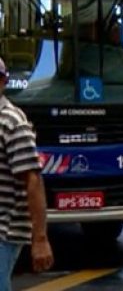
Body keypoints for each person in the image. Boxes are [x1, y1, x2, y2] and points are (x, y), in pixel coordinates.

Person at [0, 57, 53, 289]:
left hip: (4, 231)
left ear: (2, 82)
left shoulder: (12, 122)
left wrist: (40, 239)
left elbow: (33, 180)